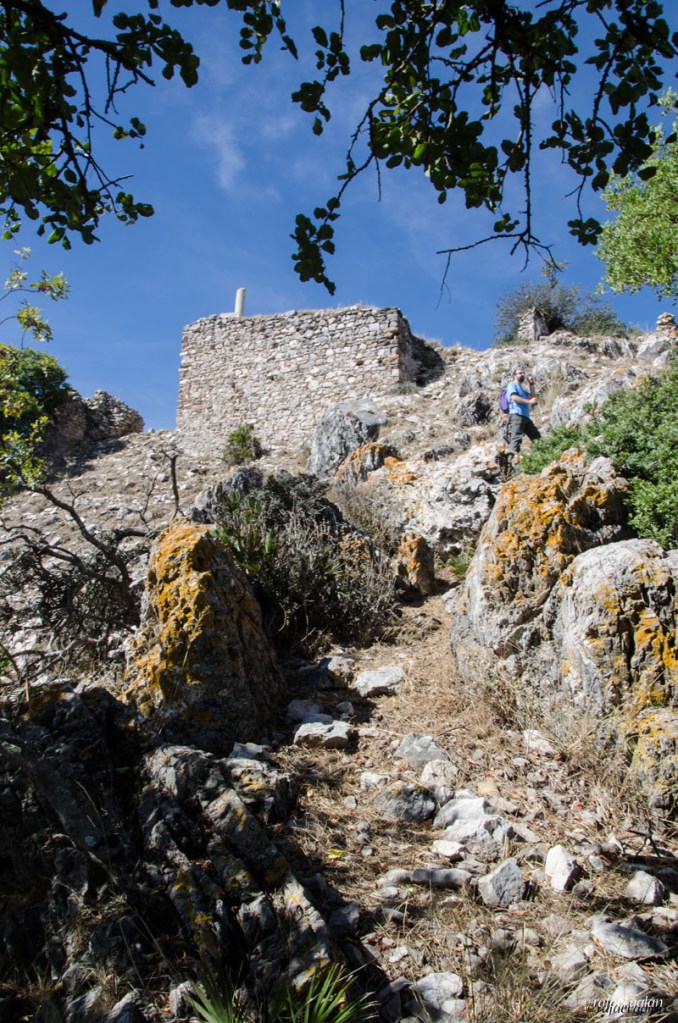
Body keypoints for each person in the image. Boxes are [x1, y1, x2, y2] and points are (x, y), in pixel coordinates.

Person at [505, 365, 540, 457]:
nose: (522, 375)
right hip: (517, 415)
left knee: (537, 438)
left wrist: (531, 384)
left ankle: (543, 458)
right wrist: (529, 402)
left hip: (525, 416)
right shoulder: (512, 385)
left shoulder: (522, 389)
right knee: (516, 439)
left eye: (523, 373)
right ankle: (512, 463)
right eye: (520, 373)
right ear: (514, 376)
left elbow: (533, 397)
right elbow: (514, 398)